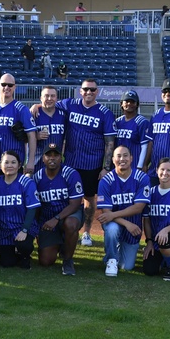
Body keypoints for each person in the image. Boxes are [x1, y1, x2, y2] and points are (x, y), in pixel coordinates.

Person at [55, 77, 116, 247]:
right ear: (80, 91)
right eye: (86, 89)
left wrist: (105, 167)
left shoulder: (104, 112)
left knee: (89, 198)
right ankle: (63, 230)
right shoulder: (70, 104)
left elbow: (109, 142)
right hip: (70, 162)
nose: (89, 92)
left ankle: (87, 232)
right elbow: (49, 104)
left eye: (92, 89)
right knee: (67, 197)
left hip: (92, 164)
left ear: (98, 91)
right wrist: (36, 106)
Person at [96, 145, 150, 277]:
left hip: (133, 227)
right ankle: (111, 259)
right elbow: (106, 211)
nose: (122, 159)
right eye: (118, 156)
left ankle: (113, 251)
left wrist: (115, 215)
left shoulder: (142, 178)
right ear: (113, 159)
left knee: (127, 266)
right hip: (118, 224)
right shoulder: (106, 181)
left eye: (125, 155)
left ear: (131, 158)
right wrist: (126, 223)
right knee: (112, 229)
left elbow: (139, 207)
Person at [33, 144, 84, 274]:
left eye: (56, 155)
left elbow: (75, 203)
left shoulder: (71, 174)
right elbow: (36, 206)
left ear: (61, 158)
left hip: (69, 213)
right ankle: (62, 244)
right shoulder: (37, 177)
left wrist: (56, 219)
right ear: (43, 159)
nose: (52, 158)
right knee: (46, 261)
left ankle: (68, 260)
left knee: (70, 224)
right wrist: (38, 229)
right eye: (48, 155)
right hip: (47, 217)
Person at [0, 150, 39, 269]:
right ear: (0, 165)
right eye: (6, 162)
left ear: (19, 165)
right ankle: (16, 254)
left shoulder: (27, 183)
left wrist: (24, 230)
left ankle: (24, 255)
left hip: (22, 226)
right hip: (4, 229)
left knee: (24, 245)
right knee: (6, 263)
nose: (9, 165)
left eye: (13, 162)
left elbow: (32, 209)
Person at [0, 73, 37, 172]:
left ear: (14, 87)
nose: (7, 87)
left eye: (10, 85)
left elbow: (31, 135)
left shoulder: (21, 109)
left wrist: (30, 161)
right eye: (4, 84)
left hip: (14, 163)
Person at [113, 90, 150, 171]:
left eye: (132, 102)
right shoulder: (117, 122)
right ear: (121, 104)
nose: (129, 104)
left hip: (134, 166)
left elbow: (145, 147)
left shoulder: (142, 122)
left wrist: (140, 166)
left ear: (137, 104)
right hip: (118, 166)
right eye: (127, 101)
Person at [30, 85, 65, 158]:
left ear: (56, 98)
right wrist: (36, 136)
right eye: (46, 96)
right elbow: (23, 138)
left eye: (52, 96)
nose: (49, 98)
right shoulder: (33, 114)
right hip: (38, 160)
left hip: (57, 160)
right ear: (41, 98)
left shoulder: (64, 115)